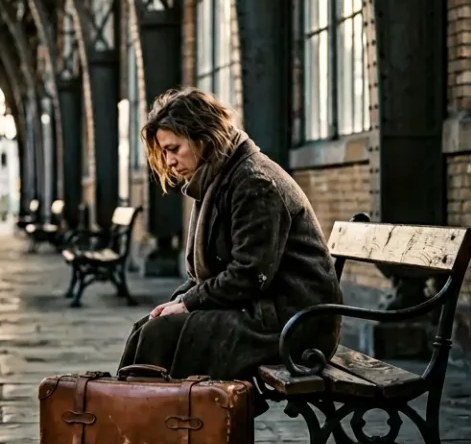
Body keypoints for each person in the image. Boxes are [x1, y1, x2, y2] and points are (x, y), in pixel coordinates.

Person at [117, 88, 342, 382]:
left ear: (203, 138)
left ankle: (163, 422)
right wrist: (179, 301)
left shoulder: (253, 182)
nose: (169, 161)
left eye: (173, 149)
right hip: (264, 311)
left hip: (294, 323)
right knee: (147, 327)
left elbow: (248, 275)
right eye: (163, 152)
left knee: (162, 335)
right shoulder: (220, 177)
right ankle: (144, 419)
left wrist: (187, 303)